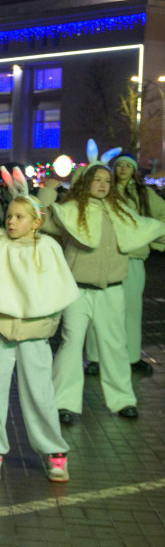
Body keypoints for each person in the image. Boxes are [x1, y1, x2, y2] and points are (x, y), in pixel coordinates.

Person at [0, 166, 78, 483]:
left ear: (36, 222)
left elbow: (59, 289)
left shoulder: (47, 248)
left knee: (40, 395)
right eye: (9, 215)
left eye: (20, 217)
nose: (11, 221)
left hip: (35, 335)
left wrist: (48, 321)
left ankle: (54, 451)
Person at [41, 142, 165, 423]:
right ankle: (64, 403)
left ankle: (124, 401)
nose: (103, 184)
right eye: (97, 179)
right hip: (77, 291)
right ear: (86, 181)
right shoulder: (70, 210)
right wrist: (47, 191)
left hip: (112, 290)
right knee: (71, 344)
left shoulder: (120, 211)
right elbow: (41, 219)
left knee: (115, 346)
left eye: (107, 181)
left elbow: (150, 229)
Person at [84, 153, 165, 376]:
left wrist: (149, 238)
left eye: (128, 166)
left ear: (134, 170)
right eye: (119, 165)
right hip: (105, 257)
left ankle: (131, 357)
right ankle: (96, 357)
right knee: (99, 309)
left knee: (131, 310)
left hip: (132, 258)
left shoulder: (144, 193)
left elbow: (162, 215)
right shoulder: (105, 189)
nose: (123, 169)